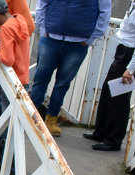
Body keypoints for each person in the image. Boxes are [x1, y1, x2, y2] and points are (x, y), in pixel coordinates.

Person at [28, 0, 110, 137]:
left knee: (63, 83)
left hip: (77, 44)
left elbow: (105, 14)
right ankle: (32, 113)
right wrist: (43, 31)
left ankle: (51, 118)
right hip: (51, 38)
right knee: (40, 78)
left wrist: (89, 40)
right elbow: (43, 3)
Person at [86, 0, 135, 151]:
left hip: (129, 55)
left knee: (119, 99)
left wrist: (130, 68)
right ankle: (101, 131)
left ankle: (113, 140)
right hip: (123, 50)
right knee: (107, 92)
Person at [0, 0, 31, 86]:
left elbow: (7, 60)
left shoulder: (6, 28)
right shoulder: (18, 20)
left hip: (11, 82)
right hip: (23, 80)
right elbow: (4, 35)